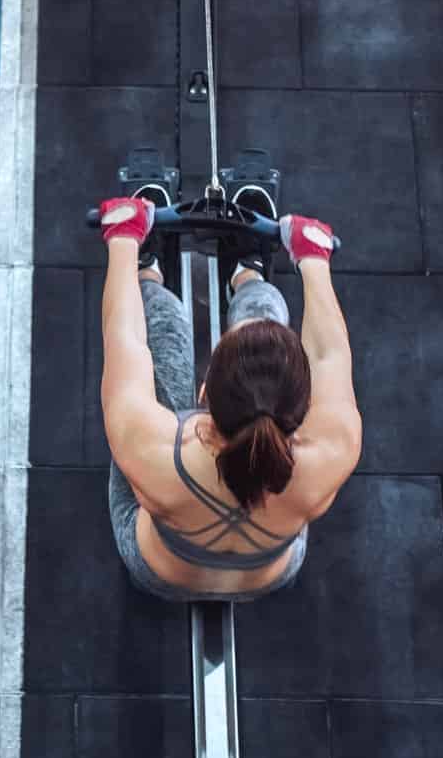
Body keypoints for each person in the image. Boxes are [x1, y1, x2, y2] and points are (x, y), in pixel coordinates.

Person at [94, 183, 362, 601]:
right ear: (303, 409)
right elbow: (330, 357)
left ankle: (148, 270)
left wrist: (124, 240)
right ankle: (248, 272)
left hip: (161, 572)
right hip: (267, 575)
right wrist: (313, 260)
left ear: (205, 392)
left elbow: (124, 336)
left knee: (162, 341)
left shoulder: (153, 452)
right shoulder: (333, 451)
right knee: (263, 322)